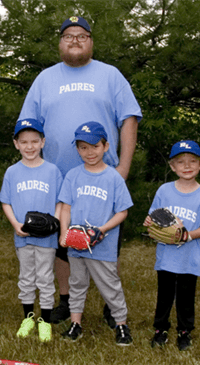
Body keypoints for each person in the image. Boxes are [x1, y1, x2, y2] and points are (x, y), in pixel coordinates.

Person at [17, 15, 143, 327]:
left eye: (82, 35)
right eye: (68, 35)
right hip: (58, 179)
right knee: (60, 244)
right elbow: (27, 128)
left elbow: (129, 119)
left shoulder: (110, 75)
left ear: (91, 42)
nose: (75, 40)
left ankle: (111, 306)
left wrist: (123, 168)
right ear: (60, 43)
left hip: (103, 177)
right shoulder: (45, 79)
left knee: (104, 241)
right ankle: (66, 300)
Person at [57, 122, 133, 345]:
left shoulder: (113, 178)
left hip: (103, 244)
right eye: (82, 147)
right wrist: (64, 232)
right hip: (76, 243)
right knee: (77, 284)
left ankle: (121, 325)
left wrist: (103, 229)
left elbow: (122, 211)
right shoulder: (73, 175)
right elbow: (66, 207)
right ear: (77, 149)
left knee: (110, 285)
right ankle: (75, 324)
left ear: (106, 146)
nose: (89, 152)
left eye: (94, 146)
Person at [143, 140, 200, 351]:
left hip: (189, 258)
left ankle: (184, 331)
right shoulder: (165, 191)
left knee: (186, 297)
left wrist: (188, 236)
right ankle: (161, 329)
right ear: (172, 166)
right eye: (181, 161)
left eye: (193, 161)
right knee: (164, 296)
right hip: (166, 256)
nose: (187, 166)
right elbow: (153, 217)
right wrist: (150, 223)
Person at [0, 119, 63, 343]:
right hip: (22, 235)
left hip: (46, 237)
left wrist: (54, 223)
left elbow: (59, 201)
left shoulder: (52, 171)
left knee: (45, 277)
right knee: (26, 277)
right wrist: (15, 224)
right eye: (24, 142)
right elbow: (5, 202)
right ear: (16, 144)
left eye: (35, 141)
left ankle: (44, 320)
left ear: (42, 142)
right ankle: (28, 317)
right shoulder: (12, 172)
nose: (30, 146)